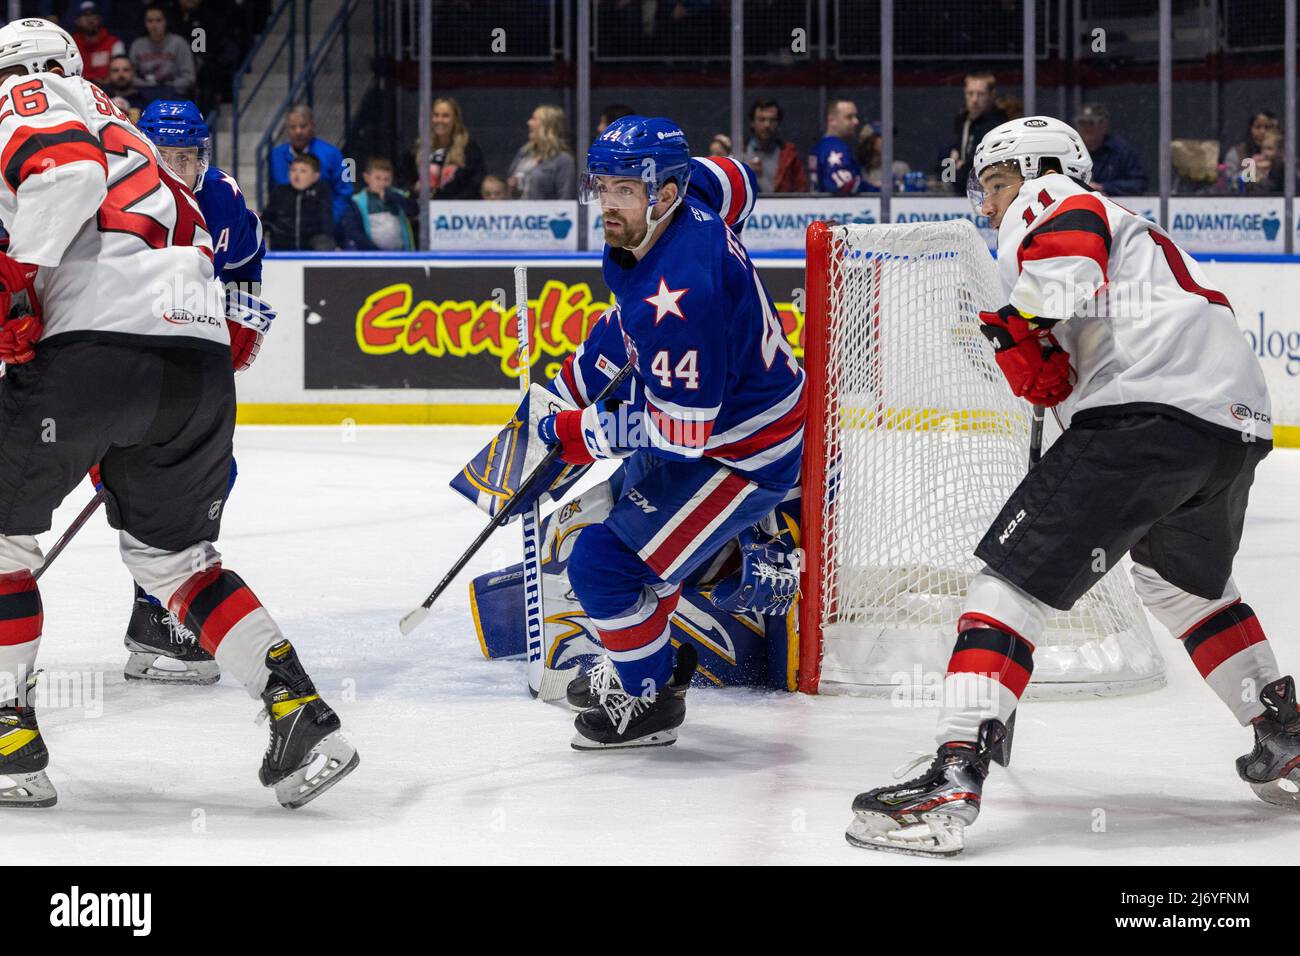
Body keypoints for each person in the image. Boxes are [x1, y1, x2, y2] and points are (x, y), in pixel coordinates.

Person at [847, 115, 1294, 857]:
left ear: (1035, 168)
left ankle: (954, 770)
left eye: (993, 184)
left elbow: (1065, 251)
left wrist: (1019, 325)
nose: (989, 206)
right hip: (1231, 431)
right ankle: (1284, 731)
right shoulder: (1140, 235)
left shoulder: (1054, 195)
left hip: (1146, 417)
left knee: (1006, 581)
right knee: (1179, 587)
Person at [0, 19, 356, 809]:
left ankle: (8, 736)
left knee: (1, 543)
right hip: (195, 368)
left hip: (94, 350)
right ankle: (299, 712)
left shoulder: (28, 95)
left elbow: (59, 179)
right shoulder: (126, 126)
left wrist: (15, 284)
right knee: (176, 564)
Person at [528, 115, 805, 749]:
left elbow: (681, 432)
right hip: (728, 416)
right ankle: (649, 661)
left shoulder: (681, 288)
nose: (609, 206)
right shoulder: (697, 190)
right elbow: (740, 181)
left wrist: (584, 431)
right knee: (627, 546)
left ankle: (646, 698)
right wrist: (578, 377)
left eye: (625, 190)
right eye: (602, 187)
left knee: (603, 565)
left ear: (664, 194)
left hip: (742, 452)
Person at [111, 99, 272, 687]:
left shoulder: (223, 198)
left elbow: (247, 263)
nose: (177, 169)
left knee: (208, 478)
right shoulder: (114, 188)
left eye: (188, 157)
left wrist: (239, 322)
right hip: (118, 364)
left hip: (185, 370)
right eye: (165, 156)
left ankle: (156, 614)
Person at [267, 105, 353, 227]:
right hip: (286, 232)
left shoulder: (333, 154)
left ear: (312, 126)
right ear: (286, 129)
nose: (298, 131)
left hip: (322, 233)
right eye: (293, 127)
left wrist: (329, 222)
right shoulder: (276, 156)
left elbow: (344, 193)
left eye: (303, 126)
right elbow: (273, 193)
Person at [941, 71, 1007, 194]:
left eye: (980, 94)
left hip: (987, 193)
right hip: (961, 190)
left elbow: (981, 166)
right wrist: (952, 172)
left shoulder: (998, 125)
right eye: (970, 93)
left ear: (991, 95)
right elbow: (951, 155)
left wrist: (960, 169)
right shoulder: (962, 119)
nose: (975, 99)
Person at [341, 157, 418, 251]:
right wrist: (375, 252)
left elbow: (414, 210)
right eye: (377, 178)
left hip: (401, 254)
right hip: (373, 257)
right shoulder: (357, 201)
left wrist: (395, 197)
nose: (382, 183)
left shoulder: (400, 195)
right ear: (367, 177)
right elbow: (354, 232)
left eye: (386, 179)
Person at [264, 154, 336, 250]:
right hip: (282, 251)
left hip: (311, 252)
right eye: (293, 170)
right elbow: (268, 219)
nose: (296, 175)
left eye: (303, 171)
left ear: (315, 176)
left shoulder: (321, 193)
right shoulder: (280, 192)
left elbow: (326, 225)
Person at [1074, 102, 1147, 196]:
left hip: (1114, 207)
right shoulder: (1071, 150)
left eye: (1091, 123)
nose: (1086, 128)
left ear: (1104, 125)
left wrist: (1103, 187)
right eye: (1082, 123)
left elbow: (1139, 184)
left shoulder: (1121, 150)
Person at [506, 104, 576, 200]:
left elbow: (566, 197)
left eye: (534, 119)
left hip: (545, 214)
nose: (529, 122)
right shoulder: (524, 153)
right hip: (518, 213)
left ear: (547, 126)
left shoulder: (563, 160)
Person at [421, 96, 485, 200]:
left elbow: (477, 182)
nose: (439, 120)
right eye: (436, 115)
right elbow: (403, 180)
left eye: (445, 116)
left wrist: (452, 205)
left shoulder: (469, 148)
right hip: (424, 211)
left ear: (455, 119)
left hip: (458, 212)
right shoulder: (420, 148)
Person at [128, 4, 196, 97]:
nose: (154, 25)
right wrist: (149, 85)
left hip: (175, 94)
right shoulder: (137, 45)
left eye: (158, 20)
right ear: (145, 23)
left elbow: (189, 77)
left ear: (166, 21)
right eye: (150, 21)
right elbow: (130, 75)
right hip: (145, 94)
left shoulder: (179, 43)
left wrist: (167, 86)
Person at [743, 98, 807, 193]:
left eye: (772, 120)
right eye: (762, 119)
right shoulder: (740, 151)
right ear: (752, 123)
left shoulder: (789, 154)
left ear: (778, 123)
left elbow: (801, 190)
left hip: (782, 206)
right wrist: (743, 171)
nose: (767, 125)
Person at [810, 98, 863, 194]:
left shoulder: (820, 146)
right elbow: (842, 185)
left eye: (855, 116)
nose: (856, 121)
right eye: (849, 117)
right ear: (832, 120)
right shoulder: (834, 147)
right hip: (837, 207)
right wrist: (876, 189)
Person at [70, 1, 123, 85]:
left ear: (99, 18)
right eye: (85, 15)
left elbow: (121, 69)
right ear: (77, 21)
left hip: (108, 90)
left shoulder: (114, 43)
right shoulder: (71, 44)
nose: (90, 19)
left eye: (93, 15)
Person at [1223, 110, 1280, 180]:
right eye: (1258, 127)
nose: (1262, 132)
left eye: (1267, 127)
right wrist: (1251, 170)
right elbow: (1228, 180)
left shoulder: (1282, 153)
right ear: (1250, 129)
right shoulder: (1237, 152)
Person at [856, 121, 910, 192]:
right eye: (882, 136)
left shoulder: (899, 169)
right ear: (870, 141)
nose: (889, 140)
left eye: (890, 136)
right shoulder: (857, 170)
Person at [104, 54, 147, 120]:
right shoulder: (102, 100)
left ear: (133, 72)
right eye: (115, 70)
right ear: (109, 73)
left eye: (126, 70)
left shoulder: (145, 103)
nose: (121, 74)